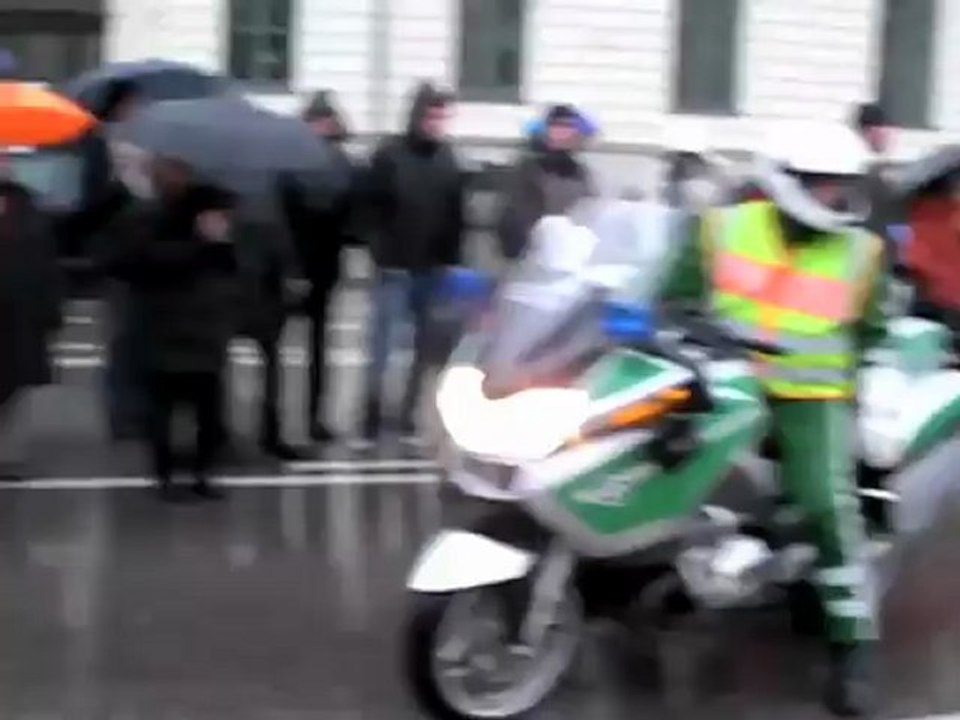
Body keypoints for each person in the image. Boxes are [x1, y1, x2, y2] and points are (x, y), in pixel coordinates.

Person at [658, 124, 887, 717]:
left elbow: (871, 332)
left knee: (823, 504)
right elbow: (671, 297)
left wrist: (852, 388)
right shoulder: (721, 228)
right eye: (823, 184)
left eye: (842, 185)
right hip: (723, 383)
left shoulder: (863, 254)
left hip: (810, 399)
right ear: (785, 181)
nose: (835, 196)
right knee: (653, 461)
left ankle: (852, 642)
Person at [108, 157, 237, 502]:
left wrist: (220, 242)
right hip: (162, 324)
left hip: (202, 326)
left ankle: (201, 473)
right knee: (162, 410)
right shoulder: (142, 217)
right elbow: (142, 263)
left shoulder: (210, 213)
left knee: (207, 410)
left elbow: (229, 266)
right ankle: (167, 476)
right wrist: (202, 243)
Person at [361, 81, 466, 444]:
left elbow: (455, 213)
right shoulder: (390, 154)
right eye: (432, 115)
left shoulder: (447, 159)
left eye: (442, 116)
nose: (437, 122)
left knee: (423, 348)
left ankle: (406, 414)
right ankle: (371, 413)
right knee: (383, 347)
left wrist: (451, 260)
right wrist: (379, 250)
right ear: (417, 115)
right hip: (394, 265)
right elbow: (369, 206)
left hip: (431, 268)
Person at [279, 90, 359, 443]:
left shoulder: (332, 163)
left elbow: (350, 214)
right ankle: (297, 420)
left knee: (314, 349)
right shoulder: (309, 165)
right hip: (300, 261)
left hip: (318, 262)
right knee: (290, 347)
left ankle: (311, 419)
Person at [0, 163, 63, 480]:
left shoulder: (27, 206)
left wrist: (51, 310)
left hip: (20, 312)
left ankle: (7, 456)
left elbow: (44, 260)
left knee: (14, 383)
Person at [497, 104, 594, 261]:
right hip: (535, 259)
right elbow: (514, 218)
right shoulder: (528, 169)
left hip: (571, 259)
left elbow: (590, 212)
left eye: (568, 127)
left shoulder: (580, 173)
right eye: (556, 126)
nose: (562, 133)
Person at [852, 102, 899, 268]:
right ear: (869, 132)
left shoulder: (883, 169)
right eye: (885, 131)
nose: (891, 136)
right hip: (867, 254)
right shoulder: (866, 171)